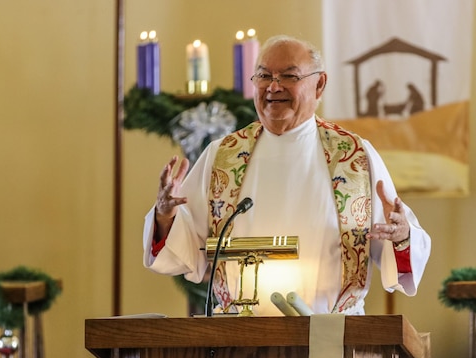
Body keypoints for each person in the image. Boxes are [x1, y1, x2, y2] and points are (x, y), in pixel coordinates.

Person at [142, 35, 431, 316]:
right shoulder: (223, 156)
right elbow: (183, 250)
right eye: (264, 76)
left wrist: (402, 236)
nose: (274, 86)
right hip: (239, 339)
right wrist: (165, 217)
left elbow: (399, 248)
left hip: (332, 335)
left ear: (319, 85)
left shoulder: (354, 158)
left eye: (289, 76)